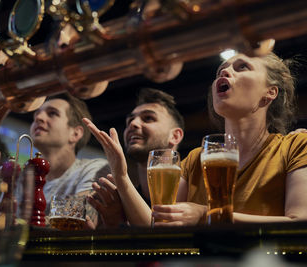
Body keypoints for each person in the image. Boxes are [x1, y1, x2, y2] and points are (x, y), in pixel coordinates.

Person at [84, 52, 307, 227]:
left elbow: (300, 222)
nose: (226, 72)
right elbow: (159, 226)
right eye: (221, 69)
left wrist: (206, 214)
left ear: (270, 92)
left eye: (242, 67)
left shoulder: (295, 147)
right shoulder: (195, 159)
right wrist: (122, 176)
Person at [86, 88, 185, 228]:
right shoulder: (119, 203)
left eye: (148, 118)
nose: (133, 124)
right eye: (130, 120)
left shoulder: (193, 190)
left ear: (175, 136)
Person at [29, 92, 109, 226]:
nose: (39, 118)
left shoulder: (94, 168)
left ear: (75, 133)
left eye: (52, 113)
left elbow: (76, 221)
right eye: (36, 114)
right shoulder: (24, 179)